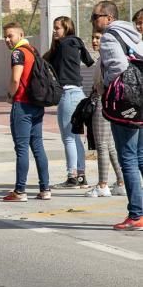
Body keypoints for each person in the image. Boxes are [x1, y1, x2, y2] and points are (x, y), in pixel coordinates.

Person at [92, 1, 143, 230]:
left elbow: (117, 68)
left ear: (109, 17)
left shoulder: (110, 37)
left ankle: (136, 214)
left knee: (128, 158)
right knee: (140, 156)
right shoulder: (135, 35)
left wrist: (105, 87)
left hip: (125, 104)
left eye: (95, 16)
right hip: (141, 101)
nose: (93, 21)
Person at [43, 16, 94, 188]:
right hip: (77, 93)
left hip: (69, 94)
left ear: (67, 28)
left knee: (68, 138)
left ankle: (72, 176)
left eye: (58, 28)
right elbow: (88, 62)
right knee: (75, 138)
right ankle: (80, 177)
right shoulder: (75, 43)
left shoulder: (66, 45)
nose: (54, 31)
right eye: (54, 27)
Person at [2, 22, 50, 202]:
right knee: (38, 146)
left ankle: (20, 191)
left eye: (10, 36)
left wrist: (9, 95)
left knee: (21, 148)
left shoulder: (18, 53)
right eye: (5, 36)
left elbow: (15, 79)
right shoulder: (33, 50)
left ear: (20, 35)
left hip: (22, 104)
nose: (7, 40)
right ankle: (45, 188)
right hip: (37, 104)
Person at [85, 30, 125, 198]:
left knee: (102, 144)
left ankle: (102, 184)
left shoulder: (105, 60)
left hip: (102, 101)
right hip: (108, 102)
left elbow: (100, 84)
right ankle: (121, 182)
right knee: (109, 145)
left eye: (98, 38)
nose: (94, 41)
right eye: (93, 37)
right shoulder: (105, 59)